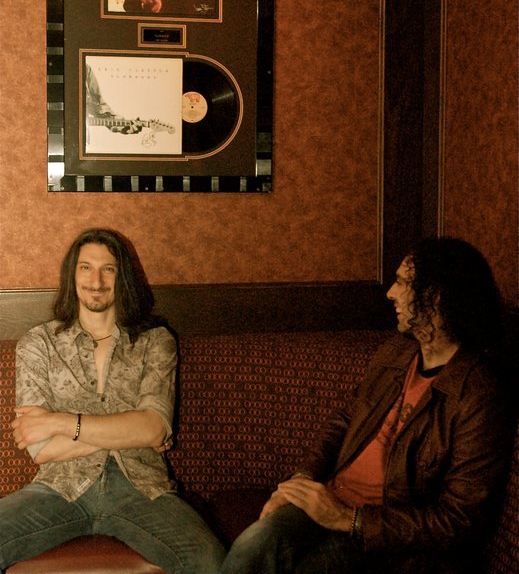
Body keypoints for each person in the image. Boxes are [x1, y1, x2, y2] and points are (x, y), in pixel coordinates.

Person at [219, 237, 515, 574]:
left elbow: (458, 520)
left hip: (382, 535)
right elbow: (344, 421)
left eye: (403, 282)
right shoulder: (396, 352)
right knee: (253, 542)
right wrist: (300, 481)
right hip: (331, 500)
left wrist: (350, 520)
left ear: (436, 297)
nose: (390, 292)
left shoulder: (478, 395)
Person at [2, 228, 225, 573]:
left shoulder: (155, 341)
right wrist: (130, 430)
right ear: (72, 275)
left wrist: (60, 422)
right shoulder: (38, 343)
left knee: (209, 559)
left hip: (142, 489)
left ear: (123, 277)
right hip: (59, 487)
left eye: (109, 269)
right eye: (86, 268)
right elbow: (42, 448)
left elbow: (153, 429)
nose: (97, 281)